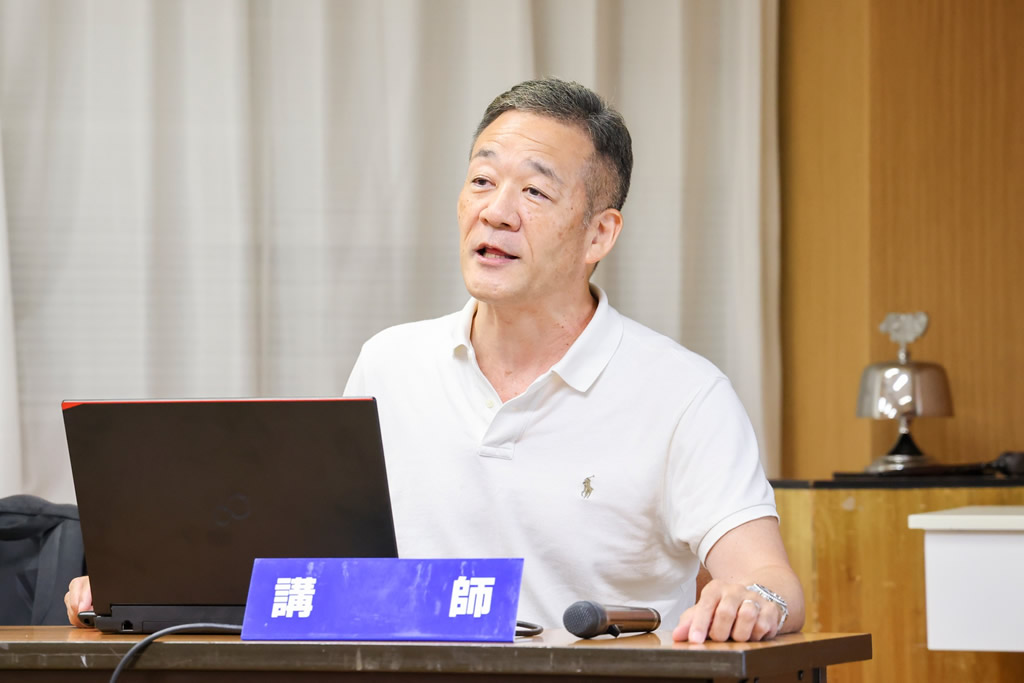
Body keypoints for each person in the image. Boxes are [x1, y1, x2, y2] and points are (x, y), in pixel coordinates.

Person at [66, 78, 803, 643]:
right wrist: (152, 591)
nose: (496, 210)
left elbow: (772, 580)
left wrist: (753, 599)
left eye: (535, 190)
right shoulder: (391, 362)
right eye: (482, 180)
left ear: (599, 234)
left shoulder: (682, 392)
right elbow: (318, 570)